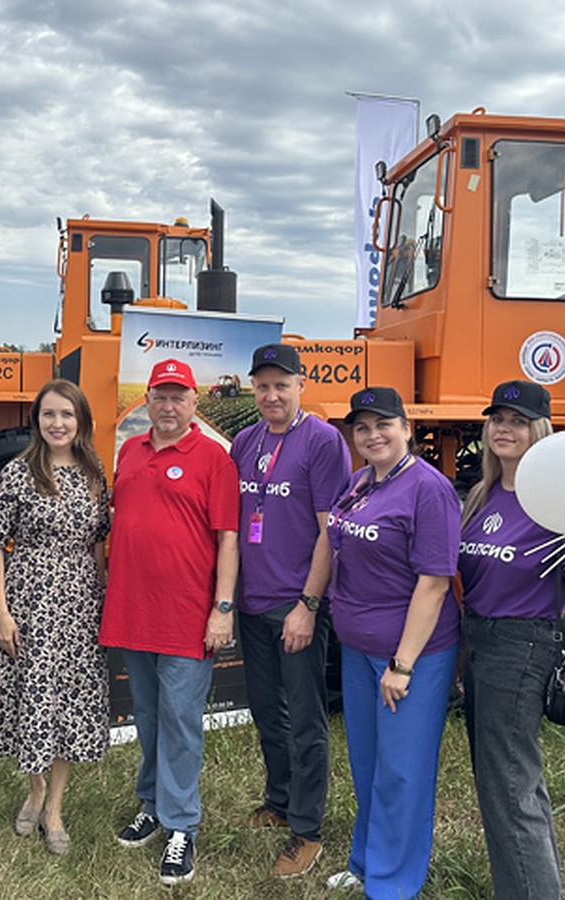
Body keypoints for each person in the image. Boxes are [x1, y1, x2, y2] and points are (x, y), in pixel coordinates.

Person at [458, 380, 565, 899]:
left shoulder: (554, 502)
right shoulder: (482, 495)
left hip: (522, 646)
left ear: (540, 431)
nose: (503, 428)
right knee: (505, 784)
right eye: (496, 419)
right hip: (479, 641)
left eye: (516, 421)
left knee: (510, 786)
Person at [100, 358, 240, 886]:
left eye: (178, 396)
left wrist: (221, 608)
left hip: (186, 615)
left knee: (181, 720)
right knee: (149, 715)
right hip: (134, 610)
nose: (168, 405)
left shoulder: (213, 459)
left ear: (194, 403)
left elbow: (227, 538)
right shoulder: (130, 453)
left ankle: (181, 824)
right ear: (149, 398)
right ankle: (153, 805)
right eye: (160, 395)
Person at [324, 386, 461, 898]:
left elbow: (434, 582)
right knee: (368, 762)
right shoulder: (361, 482)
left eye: (384, 424)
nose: (372, 434)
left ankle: (392, 885)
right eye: (362, 427)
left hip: (410, 656)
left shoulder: (429, 489)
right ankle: (365, 861)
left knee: (402, 771)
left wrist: (402, 665)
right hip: (359, 649)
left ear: (407, 428)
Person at [0, 379, 111, 856]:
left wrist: (102, 596)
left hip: (77, 604)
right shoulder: (16, 474)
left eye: (66, 416)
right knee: (31, 697)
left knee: (66, 703)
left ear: (81, 422)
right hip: (28, 598)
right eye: (48, 415)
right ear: (36, 421)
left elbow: (98, 543)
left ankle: (54, 807)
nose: (57, 424)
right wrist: (2, 613)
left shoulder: (95, 474)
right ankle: (33, 789)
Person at [229, 343, 350, 878]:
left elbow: (330, 531)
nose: (271, 395)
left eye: (282, 384)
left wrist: (308, 604)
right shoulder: (244, 441)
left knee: (305, 719)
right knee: (264, 709)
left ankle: (307, 830)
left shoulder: (322, 441)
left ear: (302, 385)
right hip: (253, 602)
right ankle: (279, 801)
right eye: (263, 385)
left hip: (294, 603)